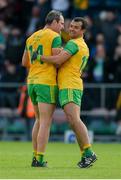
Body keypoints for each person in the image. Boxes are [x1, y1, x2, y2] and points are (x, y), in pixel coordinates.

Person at [34, 17, 97, 168]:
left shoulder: (74, 44)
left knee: (74, 120)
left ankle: (89, 153)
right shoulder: (79, 44)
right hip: (70, 84)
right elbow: (64, 59)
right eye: (71, 26)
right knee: (73, 121)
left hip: (70, 85)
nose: (71, 29)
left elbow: (57, 61)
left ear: (83, 31)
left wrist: (39, 57)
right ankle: (86, 155)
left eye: (76, 27)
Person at [22, 10, 64, 167]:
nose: (62, 27)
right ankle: (39, 160)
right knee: (46, 122)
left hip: (32, 81)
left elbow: (25, 62)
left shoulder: (31, 37)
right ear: (53, 22)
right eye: (60, 23)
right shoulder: (54, 37)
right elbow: (58, 60)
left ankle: (35, 157)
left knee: (39, 120)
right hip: (45, 82)